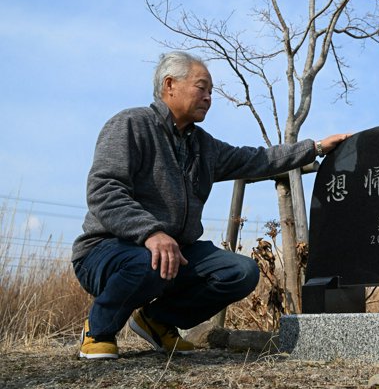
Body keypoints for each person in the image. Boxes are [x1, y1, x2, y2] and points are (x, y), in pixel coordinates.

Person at [72, 51, 349, 359]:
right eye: (201, 87)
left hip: (173, 252)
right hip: (107, 249)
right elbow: (104, 190)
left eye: (211, 92)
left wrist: (315, 147)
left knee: (240, 271)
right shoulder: (130, 125)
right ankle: (99, 330)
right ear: (170, 85)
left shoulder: (203, 146)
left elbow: (257, 159)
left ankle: (157, 321)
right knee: (148, 261)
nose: (208, 97)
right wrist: (150, 232)